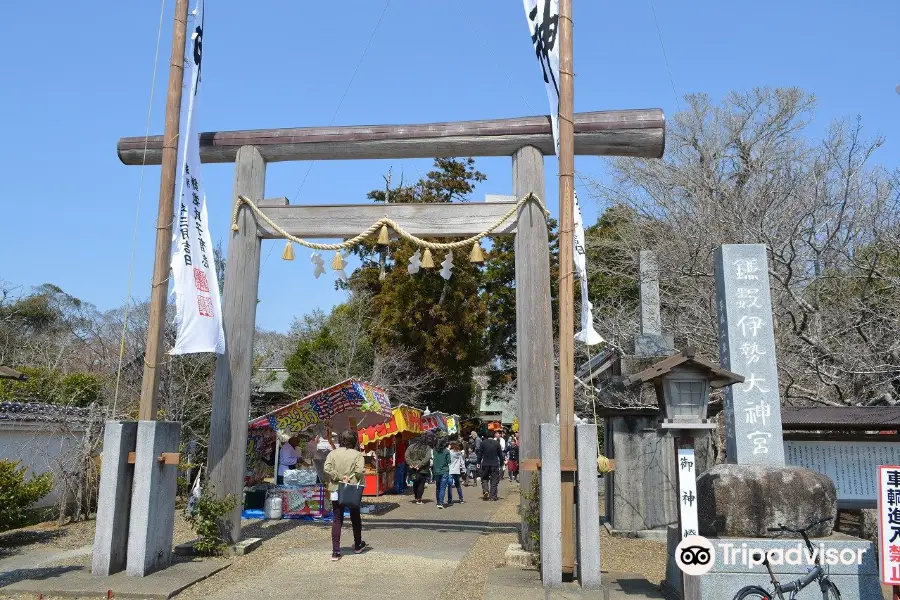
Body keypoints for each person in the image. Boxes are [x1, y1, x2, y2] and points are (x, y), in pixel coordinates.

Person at [323, 429, 366, 561]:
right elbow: (359, 472)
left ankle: (336, 552)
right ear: (354, 441)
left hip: (336, 488)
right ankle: (358, 545)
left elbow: (326, 468)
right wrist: (350, 477)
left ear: (341, 440)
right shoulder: (358, 455)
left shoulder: (333, 453)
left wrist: (340, 476)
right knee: (355, 517)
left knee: (337, 519)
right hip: (352, 489)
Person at [477, 433, 503, 501]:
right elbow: (500, 455)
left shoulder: (483, 443)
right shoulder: (497, 443)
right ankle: (493, 496)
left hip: (485, 463)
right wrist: (502, 463)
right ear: (493, 436)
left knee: (484, 478)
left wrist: (478, 462)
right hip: (494, 464)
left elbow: (480, 454)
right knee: (494, 480)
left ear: (486, 436)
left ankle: (485, 490)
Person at [431, 438, 452, 509]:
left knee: (438, 487)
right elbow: (449, 461)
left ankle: (438, 502)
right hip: (444, 471)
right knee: (442, 488)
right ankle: (441, 502)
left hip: (436, 471)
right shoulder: (446, 451)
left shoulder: (434, 450)